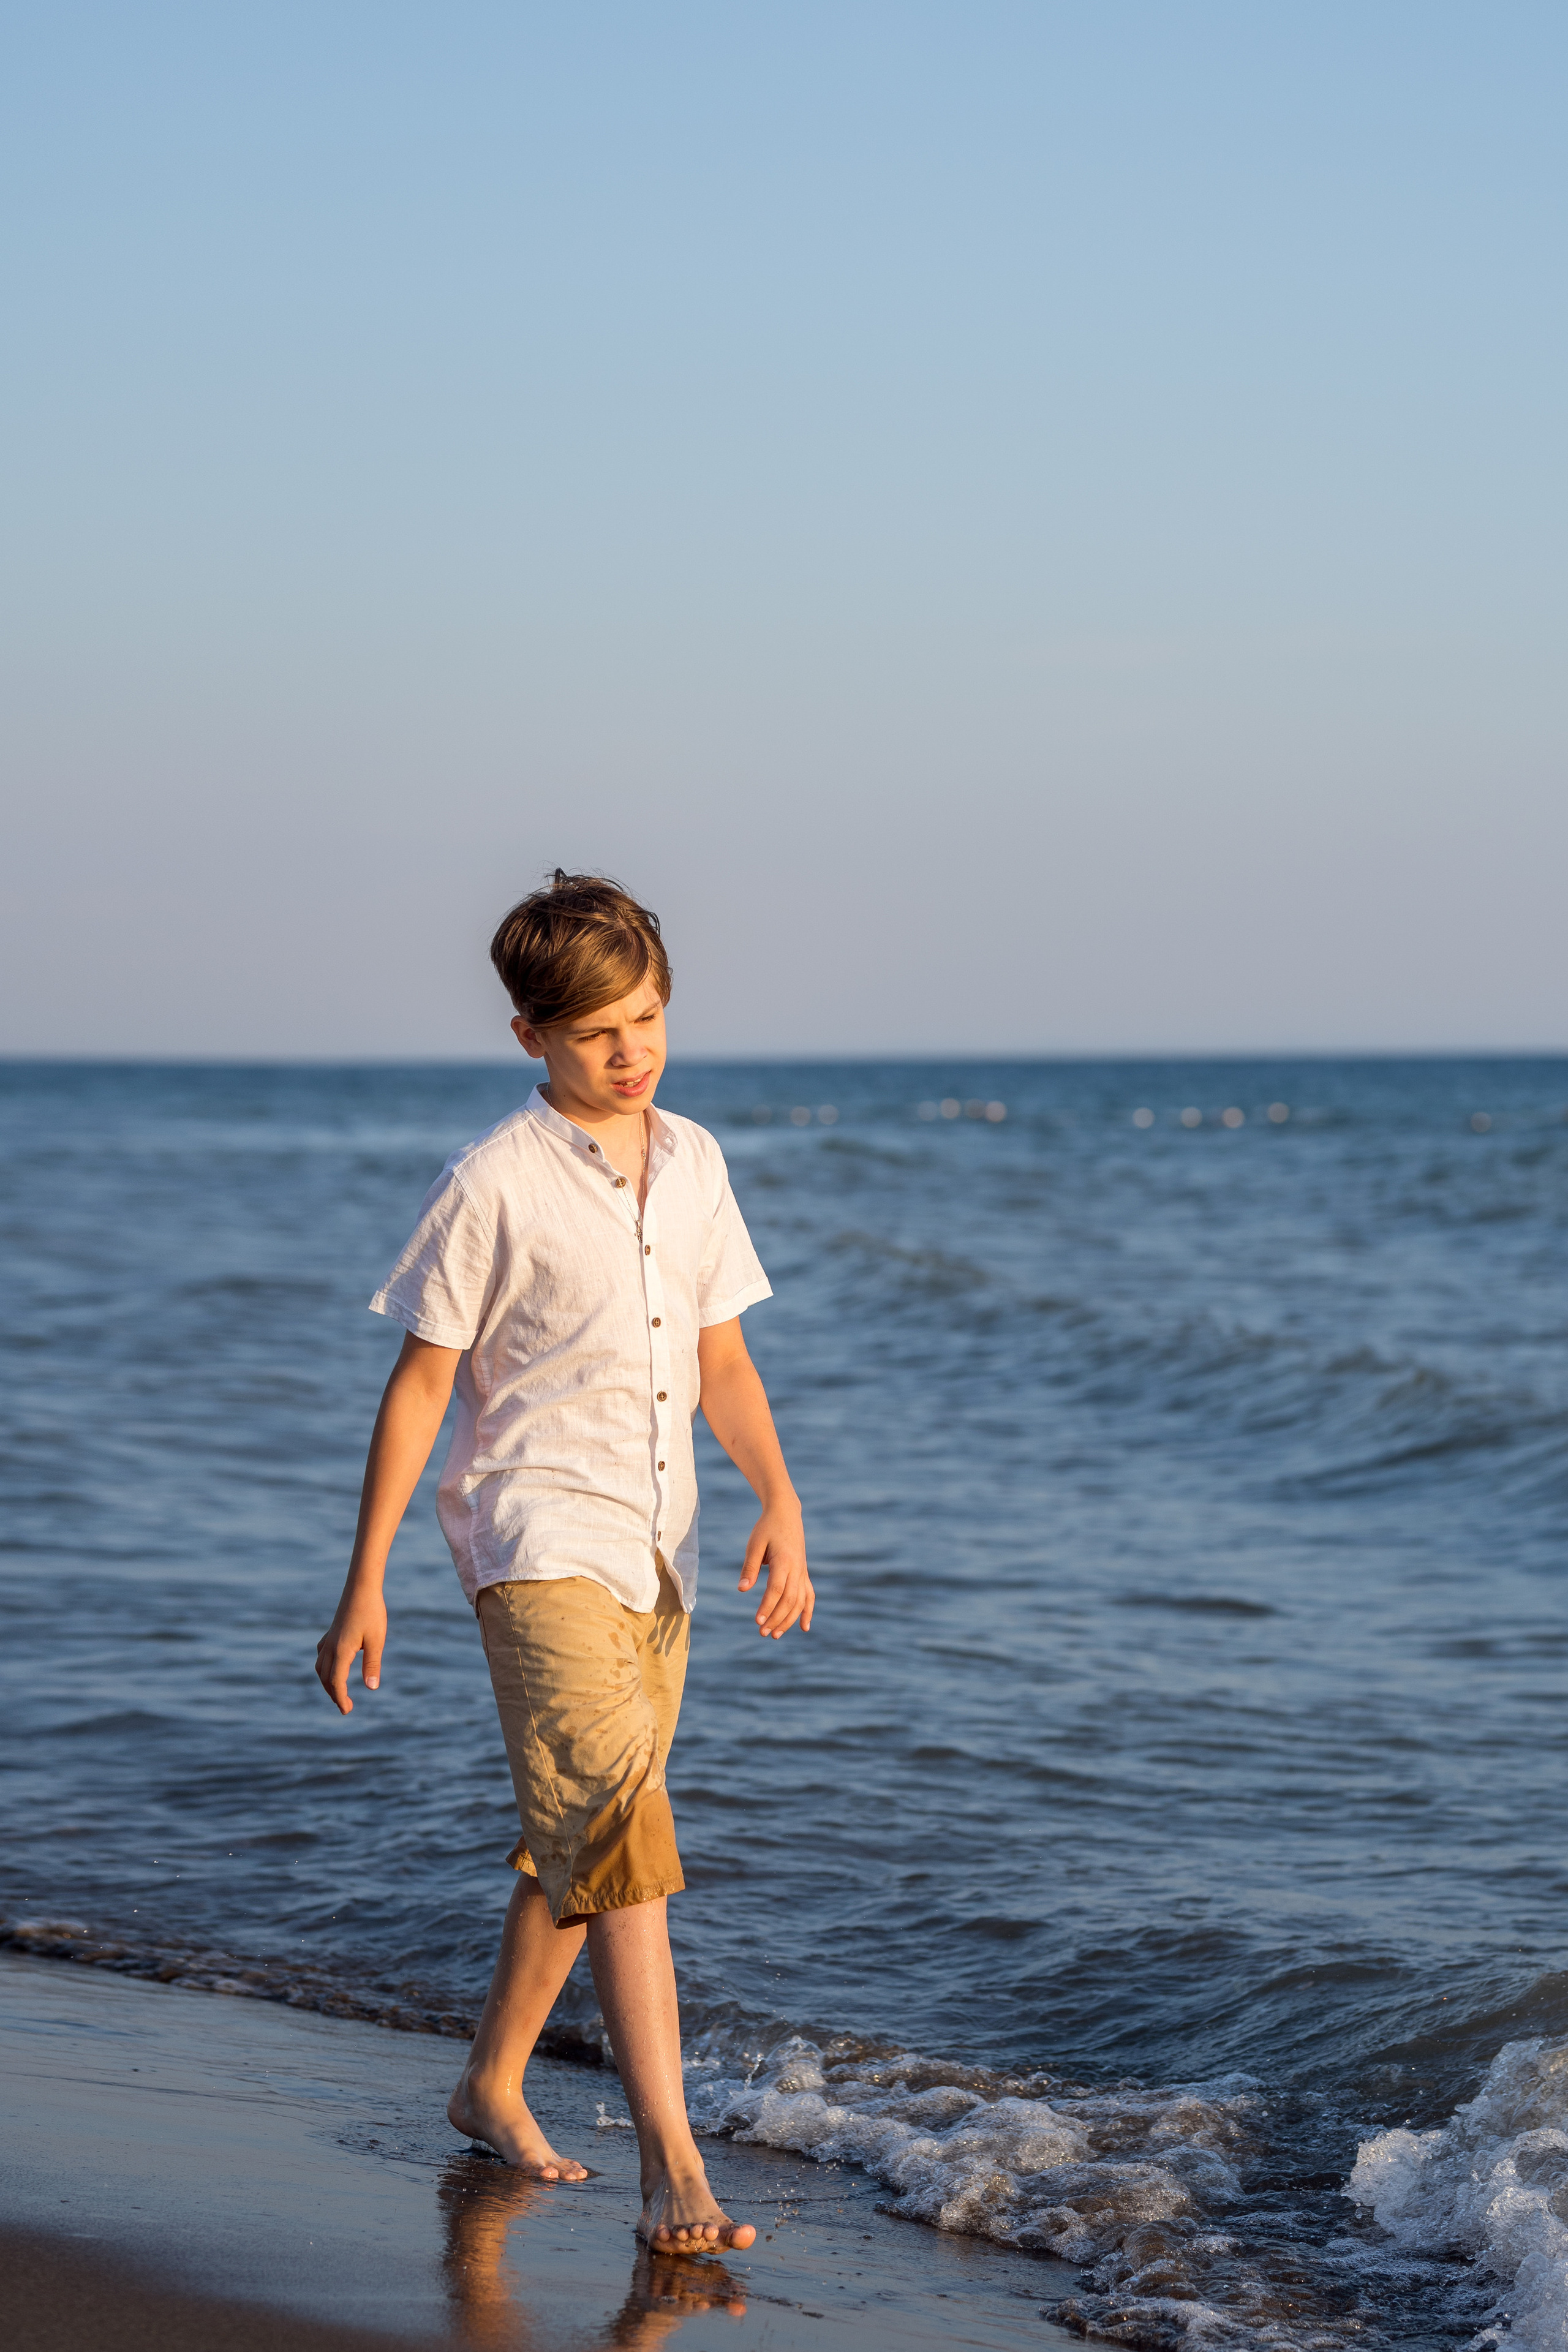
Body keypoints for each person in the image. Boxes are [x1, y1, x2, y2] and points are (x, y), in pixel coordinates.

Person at [314, 871, 813, 2256]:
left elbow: (721, 1357)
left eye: (646, 1017)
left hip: (662, 1551)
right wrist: (365, 1579)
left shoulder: (697, 1160)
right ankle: (675, 2168)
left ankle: (488, 2082)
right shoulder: (493, 1182)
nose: (628, 1049)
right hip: (534, 1542)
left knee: (580, 1839)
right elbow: (420, 1389)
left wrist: (779, 1496)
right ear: (529, 1032)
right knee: (629, 1851)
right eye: (594, 1029)